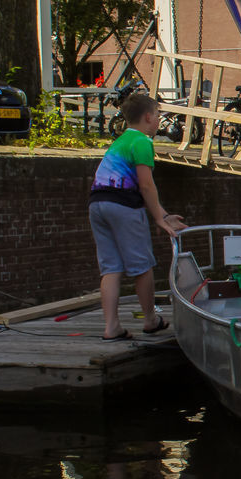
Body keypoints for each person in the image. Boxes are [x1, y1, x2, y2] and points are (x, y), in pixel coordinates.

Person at [88, 93, 187, 340]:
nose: (158, 121)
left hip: (98, 204)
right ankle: (151, 320)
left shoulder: (121, 141)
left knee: (111, 267)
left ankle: (111, 327)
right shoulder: (143, 142)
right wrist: (159, 220)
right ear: (147, 117)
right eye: (157, 116)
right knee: (142, 266)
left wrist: (163, 214)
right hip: (123, 205)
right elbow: (146, 186)